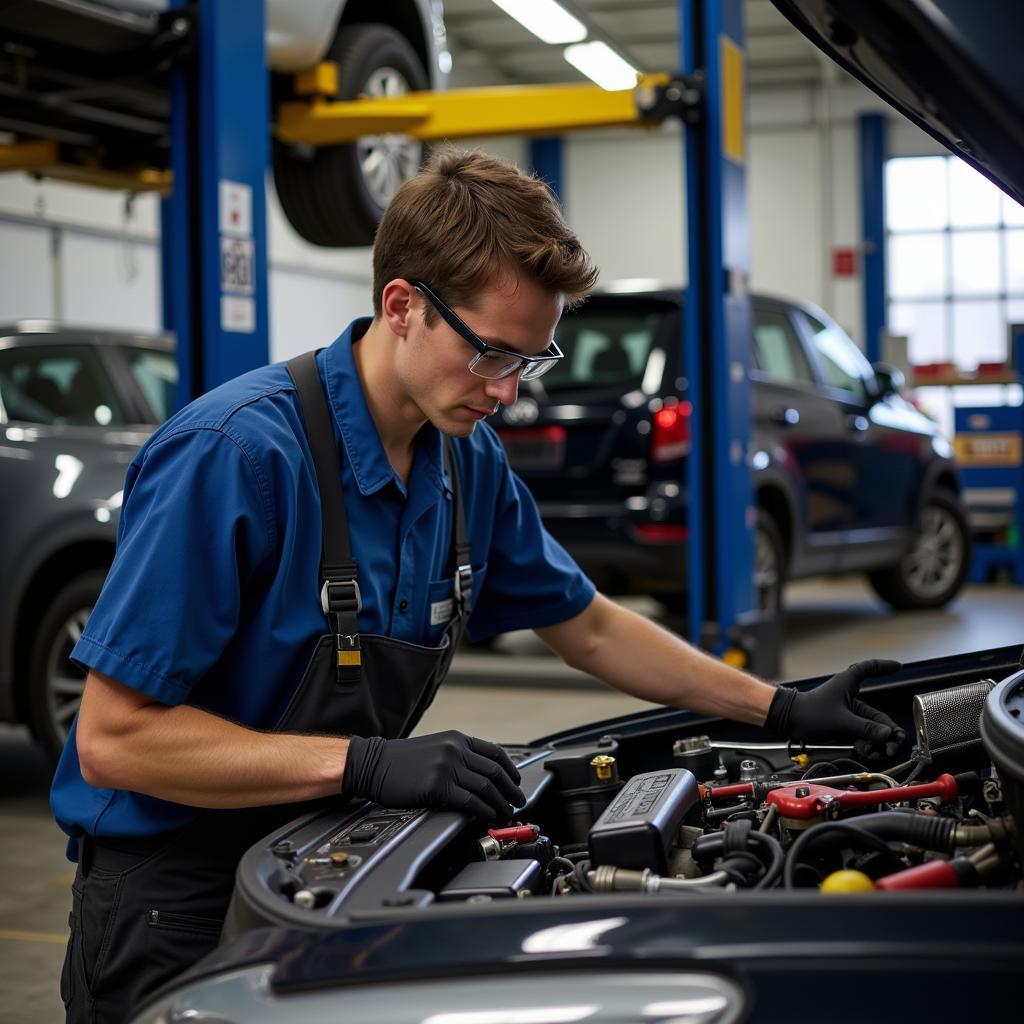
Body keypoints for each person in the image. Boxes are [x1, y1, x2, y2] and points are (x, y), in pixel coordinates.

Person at [52, 148, 903, 1023]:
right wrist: (366, 763)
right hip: (173, 904)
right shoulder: (236, 455)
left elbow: (592, 629)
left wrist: (780, 710)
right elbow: (117, 742)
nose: (506, 392)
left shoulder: (465, 461)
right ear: (401, 305)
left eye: (528, 361)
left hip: (325, 867)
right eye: (491, 352)